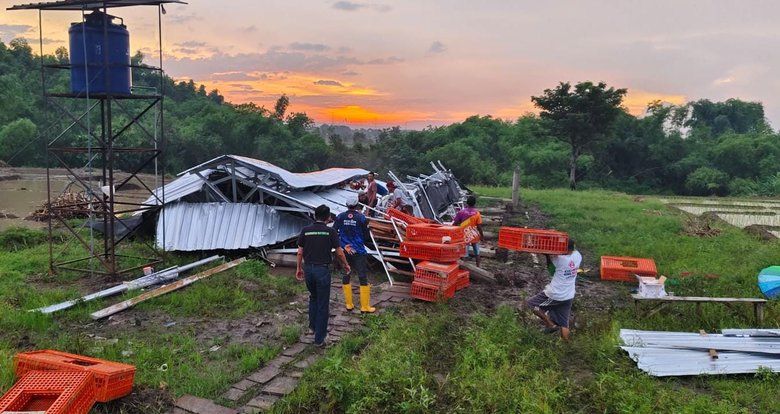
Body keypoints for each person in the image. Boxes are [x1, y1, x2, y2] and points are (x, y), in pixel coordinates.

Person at [296, 205, 351, 347]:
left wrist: (298, 268)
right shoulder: (330, 232)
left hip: (308, 269)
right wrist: (345, 264)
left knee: (313, 298)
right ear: (328, 218)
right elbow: (339, 252)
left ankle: (313, 327)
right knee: (322, 304)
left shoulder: (305, 231)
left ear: (315, 216)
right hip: (322, 271)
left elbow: (300, 252)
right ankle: (320, 339)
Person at [525, 239, 581, 340]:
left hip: (555, 294)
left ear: (564, 248)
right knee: (564, 323)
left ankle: (550, 324)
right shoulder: (578, 256)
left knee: (531, 304)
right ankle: (569, 346)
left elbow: (551, 270)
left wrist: (546, 255)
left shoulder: (560, 259)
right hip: (569, 295)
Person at [333, 196, 376, 313]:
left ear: (347, 205)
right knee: (362, 276)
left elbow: (334, 232)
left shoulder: (340, 217)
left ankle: (348, 305)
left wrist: (343, 245)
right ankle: (364, 307)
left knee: (346, 274)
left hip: (345, 251)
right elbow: (367, 236)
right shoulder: (361, 218)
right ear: (357, 205)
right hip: (358, 251)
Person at [453, 195, 484, 267]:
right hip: (474, 235)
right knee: (477, 253)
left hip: (464, 236)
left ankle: (465, 268)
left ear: (467, 203)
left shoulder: (461, 212)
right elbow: (479, 227)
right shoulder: (477, 213)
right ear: (475, 204)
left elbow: (455, 224)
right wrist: (482, 236)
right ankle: (478, 267)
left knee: (464, 254)